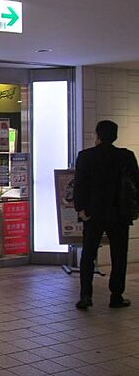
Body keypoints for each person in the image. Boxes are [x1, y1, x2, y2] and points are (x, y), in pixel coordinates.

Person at [74, 120, 139, 310]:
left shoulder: (86, 156)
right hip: (119, 214)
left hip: (93, 213)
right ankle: (116, 296)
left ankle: (86, 296)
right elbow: (136, 184)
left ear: (98, 135)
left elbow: (79, 184)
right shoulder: (126, 156)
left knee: (88, 254)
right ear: (115, 136)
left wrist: (81, 209)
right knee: (119, 255)